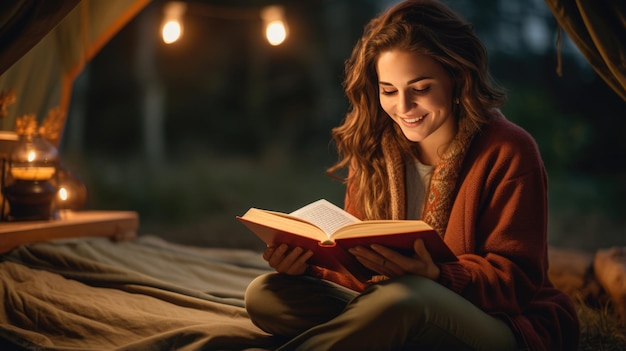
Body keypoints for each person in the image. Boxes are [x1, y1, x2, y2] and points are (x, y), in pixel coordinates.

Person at [244, 0, 579, 350]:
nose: (403, 108)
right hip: (390, 302)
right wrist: (307, 264)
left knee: (406, 298)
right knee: (265, 295)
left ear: (456, 77)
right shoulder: (374, 149)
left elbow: (517, 281)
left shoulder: (509, 150)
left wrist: (435, 275)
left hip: (499, 321)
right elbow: (359, 269)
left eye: (420, 89)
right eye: (389, 90)